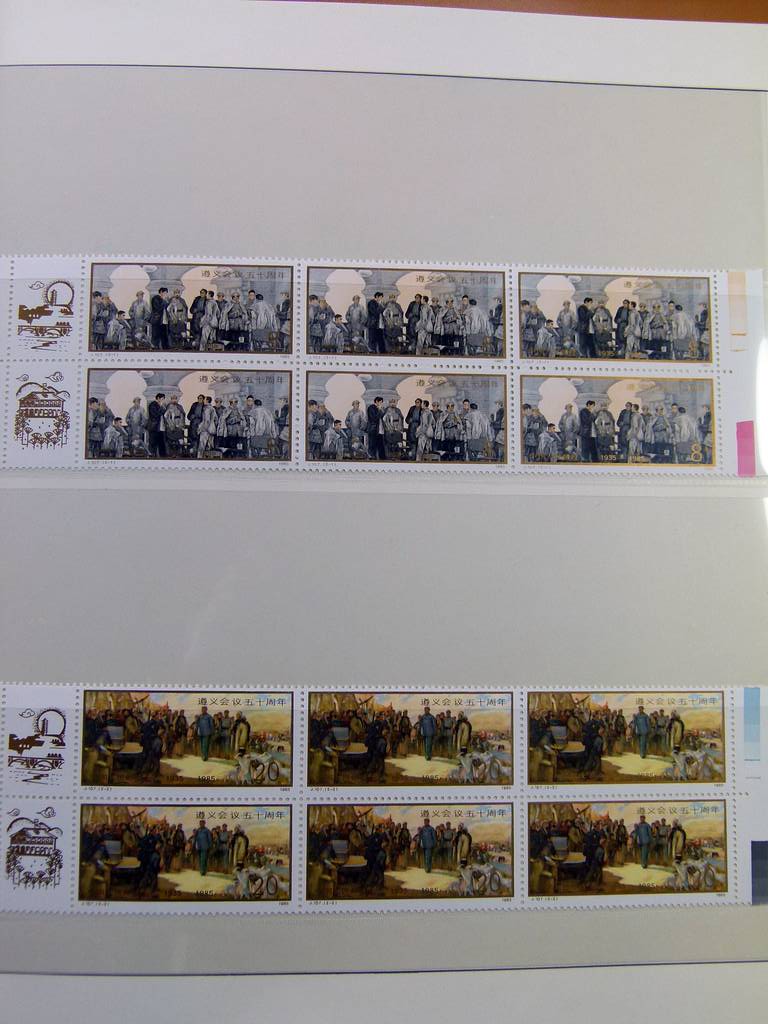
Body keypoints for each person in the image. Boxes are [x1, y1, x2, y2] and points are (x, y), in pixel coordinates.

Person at [146, 392, 166, 458]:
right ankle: (152, 457)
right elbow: (155, 415)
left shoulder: (160, 405)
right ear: (158, 398)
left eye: (163, 399)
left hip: (160, 428)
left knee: (161, 443)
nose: (163, 400)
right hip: (154, 427)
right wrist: (161, 408)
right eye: (162, 399)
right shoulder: (153, 405)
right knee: (153, 443)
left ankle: (162, 457)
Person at [366, 396, 386, 460]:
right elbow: (374, 418)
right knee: (372, 445)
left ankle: (382, 458)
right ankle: (372, 458)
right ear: (376, 401)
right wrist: (379, 410)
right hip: (373, 429)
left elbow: (382, 416)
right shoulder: (371, 408)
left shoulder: (379, 408)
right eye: (380, 402)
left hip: (379, 430)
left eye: (381, 402)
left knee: (381, 445)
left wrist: (381, 410)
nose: (381, 404)